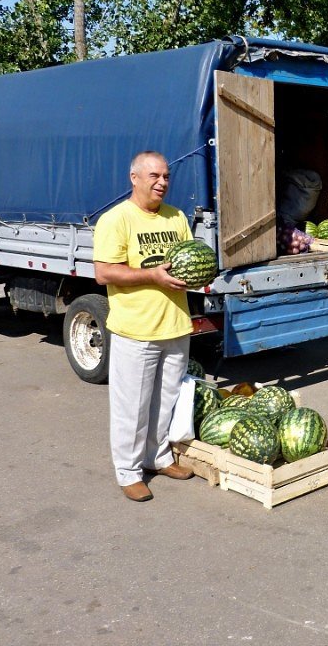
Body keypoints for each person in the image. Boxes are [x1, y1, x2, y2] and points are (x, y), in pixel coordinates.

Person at [94, 151, 196, 502]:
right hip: (135, 329)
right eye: (154, 176)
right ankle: (129, 471)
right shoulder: (116, 219)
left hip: (176, 324)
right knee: (132, 407)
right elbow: (104, 271)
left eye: (166, 176)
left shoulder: (177, 217)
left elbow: (186, 261)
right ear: (134, 178)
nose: (162, 182)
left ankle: (159, 456)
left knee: (166, 401)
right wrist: (151, 275)